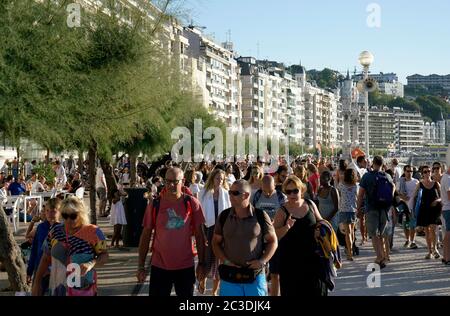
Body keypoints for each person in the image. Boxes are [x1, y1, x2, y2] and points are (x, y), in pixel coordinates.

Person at [137, 167, 206, 296]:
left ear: (183, 181)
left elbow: (200, 236)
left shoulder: (192, 203)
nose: (171, 185)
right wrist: (141, 266)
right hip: (159, 266)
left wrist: (202, 263)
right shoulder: (155, 204)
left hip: (185, 266)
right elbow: (145, 235)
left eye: (175, 181)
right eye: (168, 181)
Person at [212, 180, 277, 296]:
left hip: (255, 276)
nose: (230, 196)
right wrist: (225, 261)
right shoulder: (224, 216)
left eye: (235, 193)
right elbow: (215, 243)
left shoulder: (261, 216)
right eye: (229, 192)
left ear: (246, 195)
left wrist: (262, 261)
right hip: (230, 277)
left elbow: (273, 241)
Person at [32, 197, 108, 296]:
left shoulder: (93, 232)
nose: (68, 220)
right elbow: (45, 258)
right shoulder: (55, 232)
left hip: (83, 291)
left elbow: (104, 255)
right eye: (65, 215)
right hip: (58, 290)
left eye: (73, 216)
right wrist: (37, 283)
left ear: (81, 214)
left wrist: (91, 264)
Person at [273, 175, 328, 296]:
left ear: (301, 190)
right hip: (291, 264)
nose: (292, 194)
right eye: (288, 192)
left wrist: (319, 229)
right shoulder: (282, 211)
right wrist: (286, 227)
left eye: (295, 191)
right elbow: (275, 236)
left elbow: (321, 222)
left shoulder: (310, 204)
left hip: (313, 260)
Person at [251, 175, 287, 296]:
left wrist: (276, 223)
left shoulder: (281, 197)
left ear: (274, 186)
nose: (266, 193)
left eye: (269, 190)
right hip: (259, 238)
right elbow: (250, 211)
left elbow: (287, 216)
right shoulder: (257, 195)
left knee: (275, 273)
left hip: (276, 238)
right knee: (259, 270)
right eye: (264, 190)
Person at [357, 156, 395, 269]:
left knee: (374, 234)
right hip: (384, 208)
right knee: (382, 234)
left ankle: (379, 257)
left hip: (372, 208)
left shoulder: (367, 176)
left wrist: (358, 208)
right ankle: (382, 256)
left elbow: (361, 194)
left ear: (373, 163)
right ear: (383, 164)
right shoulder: (387, 176)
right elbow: (393, 187)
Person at [198, 169, 231, 296]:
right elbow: (200, 216)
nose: (220, 181)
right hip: (208, 228)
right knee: (207, 259)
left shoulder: (226, 194)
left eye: (222, 179)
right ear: (212, 178)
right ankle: (202, 281)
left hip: (222, 230)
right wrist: (203, 233)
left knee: (219, 261)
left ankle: (214, 291)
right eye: (217, 178)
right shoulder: (204, 193)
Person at [27, 198, 61, 294]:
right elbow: (34, 250)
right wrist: (29, 271)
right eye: (47, 211)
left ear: (60, 212)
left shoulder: (63, 229)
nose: (50, 214)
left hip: (57, 270)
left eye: (53, 211)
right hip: (39, 269)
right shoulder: (41, 227)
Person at [413, 165, 442, 259]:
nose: (427, 173)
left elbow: (442, 197)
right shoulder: (420, 184)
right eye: (425, 172)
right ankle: (429, 251)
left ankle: (435, 249)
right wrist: (413, 210)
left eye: (429, 171)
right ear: (422, 174)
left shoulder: (436, 183)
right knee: (427, 231)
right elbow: (414, 197)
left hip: (434, 209)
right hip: (424, 209)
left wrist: (437, 201)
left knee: (433, 229)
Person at [338, 169, 358, 261]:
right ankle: (351, 250)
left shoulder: (341, 185)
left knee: (348, 233)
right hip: (353, 210)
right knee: (352, 232)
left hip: (344, 210)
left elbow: (338, 194)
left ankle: (349, 253)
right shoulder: (355, 186)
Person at [397, 165, 420, 249]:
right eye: (408, 171)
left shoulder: (416, 181)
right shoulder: (401, 181)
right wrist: (402, 197)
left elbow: (419, 193)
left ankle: (413, 241)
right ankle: (407, 239)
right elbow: (396, 192)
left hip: (413, 206)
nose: (409, 173)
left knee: (412, 224)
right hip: (404, 205)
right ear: (404, 171)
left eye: (411, 171)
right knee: (405, 224)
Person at [441, 163, 450, 265]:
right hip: (448, 208)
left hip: (446, 208)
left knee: (447, 232)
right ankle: (447, 258)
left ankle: (445, 256)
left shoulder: (446, 177)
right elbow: (449, 196)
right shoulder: (447, 178)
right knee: (449, 232)